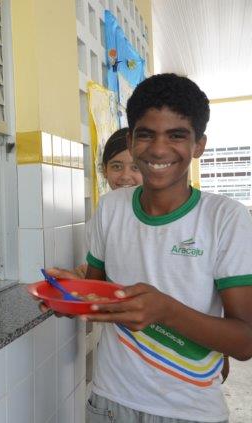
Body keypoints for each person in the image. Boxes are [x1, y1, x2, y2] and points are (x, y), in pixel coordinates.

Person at [45, 74, 252, 422]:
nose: (158, 149)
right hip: (109, 404)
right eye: (146, 134)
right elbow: (97, 296)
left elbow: (245, 342)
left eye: (176, 135)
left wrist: (166, 310)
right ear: (131, 139)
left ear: (199, 145)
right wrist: (69, 293)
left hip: (190, 412)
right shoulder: (111, 208)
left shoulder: (225, 218)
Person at [73, 128, 143, 278]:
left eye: (135, 167)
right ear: (105, 170)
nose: (125, 176)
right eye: (116, 166)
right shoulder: (100, 218)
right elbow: (93, 273)